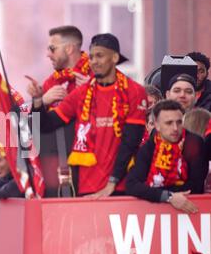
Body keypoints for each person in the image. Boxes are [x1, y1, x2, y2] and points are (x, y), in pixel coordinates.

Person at [29, 33, 147, 198]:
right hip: (86, 190)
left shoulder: (135, 91)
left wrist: (112, 183)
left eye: (99, 56)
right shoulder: (81, 93)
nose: (94, 62)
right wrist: (37, 101)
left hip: (121, 188)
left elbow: (130, 142)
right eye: (91, 57)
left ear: (114, 57)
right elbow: (47, 125)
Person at [126, 100, 208, 213]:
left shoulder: (194, 142)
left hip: (191, 210)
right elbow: (132, 185)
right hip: (153, 212)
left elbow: (195, 186)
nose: (175, 128)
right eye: (169, 123)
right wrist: (168, 197)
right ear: (157, 125)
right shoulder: (149, 146)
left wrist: (156, 193)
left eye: (179, 122)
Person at [42, 25, 92, 108]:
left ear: (69, 49)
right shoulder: (51, 82)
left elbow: (115, 116)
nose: (48, 54)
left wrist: (92, 94)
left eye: (52, 48)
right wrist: (41, 103)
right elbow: (35, 121)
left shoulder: (95, 76)